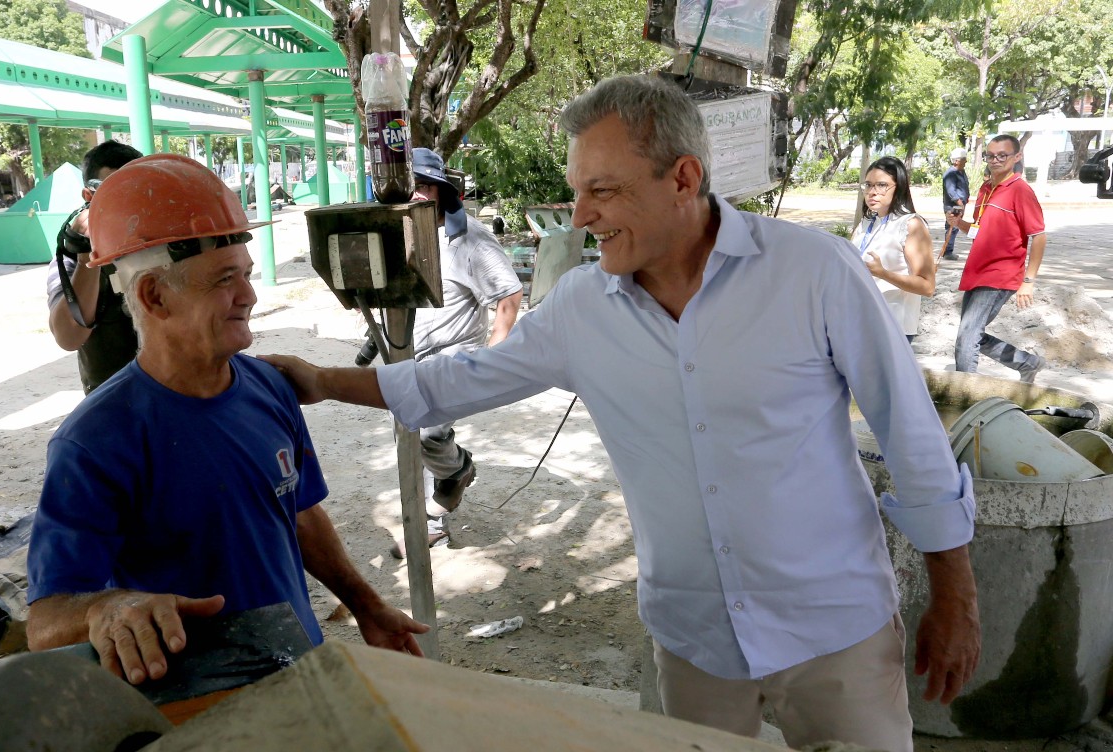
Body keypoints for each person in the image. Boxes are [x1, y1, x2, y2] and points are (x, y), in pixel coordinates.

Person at [263, 75, 980, 752]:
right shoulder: (581, 308)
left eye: (601, 191)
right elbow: (453, 382)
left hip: (834, 630)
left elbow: (910, 434)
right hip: (693, 641)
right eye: (577, 191)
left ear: (684, 179)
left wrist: (956, 596)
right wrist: (319, 381)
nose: (580, 217)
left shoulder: (813, 271)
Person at [26, 154, 427, 685]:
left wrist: (366, 604)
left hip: (298, 669)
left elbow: (297, 514)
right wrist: (106, 609)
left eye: (246, 275)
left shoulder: (270, 387)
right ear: (153, 295)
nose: (250, 297)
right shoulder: (95, 442)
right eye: (224, 280)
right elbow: (45, 621)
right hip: (198, 704)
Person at [388, 148, 523, 558]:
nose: (416, 195)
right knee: (408, 437)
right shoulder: (404, 230)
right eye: (409, 187)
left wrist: (492, 359)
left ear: (442, 192)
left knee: (426, 428)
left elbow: (509, 295)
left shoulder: (469, 241)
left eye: (424, 186)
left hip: (454, 354)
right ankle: (432, 526)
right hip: (414, 353)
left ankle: (457, 472)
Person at [945, 134, 1047, 382]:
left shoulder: (1021, 191)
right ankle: (1026, 362)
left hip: (1001, 273)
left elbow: (1039, 236)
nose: (996, 160)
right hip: (977, 271)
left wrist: (1028, 281)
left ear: (1016, 157)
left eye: (1002, 155)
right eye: (991, 155)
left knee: (968, 334)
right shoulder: (986, 189)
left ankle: (965, 395)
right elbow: (980, 230)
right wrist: (960, 224)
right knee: (969, 332)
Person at [46, 140, 142, 394]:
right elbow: (69, 337)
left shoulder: (171, 241)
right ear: (89, 196)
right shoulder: (73, 258)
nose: (128, 203)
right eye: (115, 192)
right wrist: (86, 257)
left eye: (138, 190)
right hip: (115, 400)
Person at [851, 156, 936, 342]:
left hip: (892, 326)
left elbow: (927, 287)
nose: (872, 192)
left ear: (899, 187)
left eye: (881, 185)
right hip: (859, 320)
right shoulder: (866, 223)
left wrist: (883, 273)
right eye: (868, 185)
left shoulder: (911, 224)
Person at [940, 148, 970, 260]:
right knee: (952, 226)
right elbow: (951, 191)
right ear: (956, 161)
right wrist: (960, 203)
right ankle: (947, 252)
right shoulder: (951, 174)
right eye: (964, 159)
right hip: (954, 205)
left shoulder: (961, 172)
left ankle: (948, 250)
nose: (966, 161)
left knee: (956, 226)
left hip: (960, 204)